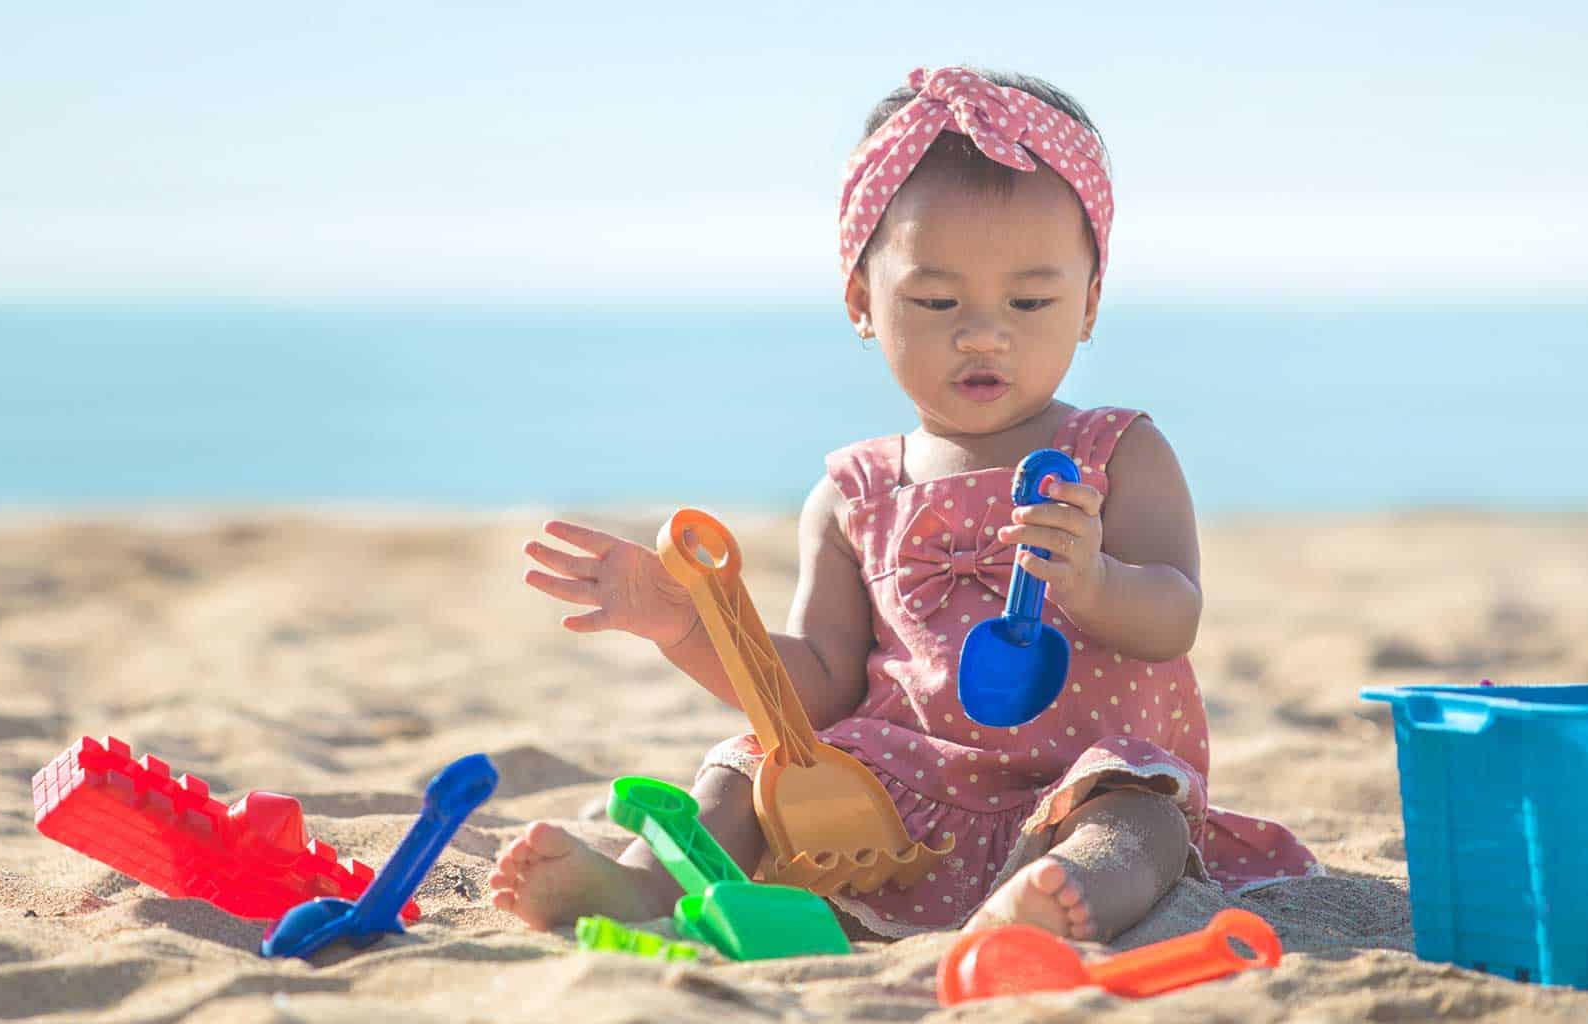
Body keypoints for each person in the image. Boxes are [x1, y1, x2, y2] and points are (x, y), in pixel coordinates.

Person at [490, 65, 1319, 942]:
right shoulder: (854, 494)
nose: (984, 331)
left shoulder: (1116, 455)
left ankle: (1048, 904)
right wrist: (690, 625)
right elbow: (816, 688)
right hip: (885, 808)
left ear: (1089, 304)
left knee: (1138, 820)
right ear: (862, 302)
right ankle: (642, 892)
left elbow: (1174, 619)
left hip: (1076, 782)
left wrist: (1094, 579)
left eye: (1030, 299)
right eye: (935, 299)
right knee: (745, 770)